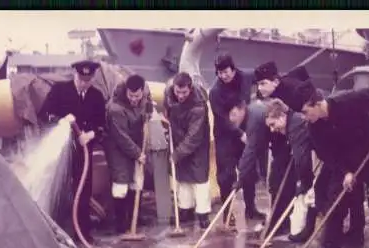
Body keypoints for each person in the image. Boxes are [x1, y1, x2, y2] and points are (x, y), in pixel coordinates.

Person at [294, 80, 369, 248]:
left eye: (305, 111)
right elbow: (328, 154)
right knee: (335, 200)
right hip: (344, 165)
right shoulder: (314, 127)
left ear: (317, 103)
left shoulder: (348, 100)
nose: (304, 117)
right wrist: (345, 171)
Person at [39, 59, 106, 245]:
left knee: (83, 192)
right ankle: (54, 233)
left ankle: (83, 234)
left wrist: (91, 134)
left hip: (83, 153)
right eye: (81, 79)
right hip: (61, 152)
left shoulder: (96, 96)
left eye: (88, 80)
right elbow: (44, 115)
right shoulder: (60, 90)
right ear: (75, 74)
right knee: (58, 190)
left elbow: (102, 123)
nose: (84, 83)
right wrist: (61, 120)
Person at [253, 61, 312, 236]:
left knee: (299, 182)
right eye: (258, 84)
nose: (260, 88)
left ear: (276, 82)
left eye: (263, 83)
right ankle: (279, 222)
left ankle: (300, 224)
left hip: (303, 135)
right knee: (276, 180)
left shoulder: (294, 92)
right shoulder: (265, 95)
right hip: (282, 137)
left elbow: (305, 117)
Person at [208, 53, 265, 226]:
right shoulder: (215, 92)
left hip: (245, 129)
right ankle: (228, 213)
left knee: (248, 170)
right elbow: (222, 118)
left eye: (225, 71)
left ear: (233, 69)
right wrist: (240, 134)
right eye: (219, 72)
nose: (223, 75)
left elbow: (262, 79)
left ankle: (251, 208)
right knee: (226, 176)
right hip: (226, 135)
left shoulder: (246, 77)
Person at [104, 74, 154, 236]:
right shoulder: (115, 108)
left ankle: (134, 220)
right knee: (121, 185)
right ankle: (120, 224)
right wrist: (138, 154)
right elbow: (120, 136)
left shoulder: (145, 94)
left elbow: (148, 104)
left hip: (137, 145)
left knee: (136, 182)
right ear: (126, 91)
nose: (134, 99)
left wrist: (149, 111)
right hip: (118, 149)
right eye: (131, 96)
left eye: (137, 96)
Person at [163, 72, 212, 229]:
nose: (181, 96)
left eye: (184, 93)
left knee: (199, 180)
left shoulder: (198, 106)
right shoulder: (169, 96)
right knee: (182, 179)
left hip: (196, 147)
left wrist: (176, 154)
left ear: (190, 89)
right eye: (178, 92)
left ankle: (203, 213)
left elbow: (194, 137)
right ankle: (185, 209)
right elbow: (167, 110)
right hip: (178, 140)